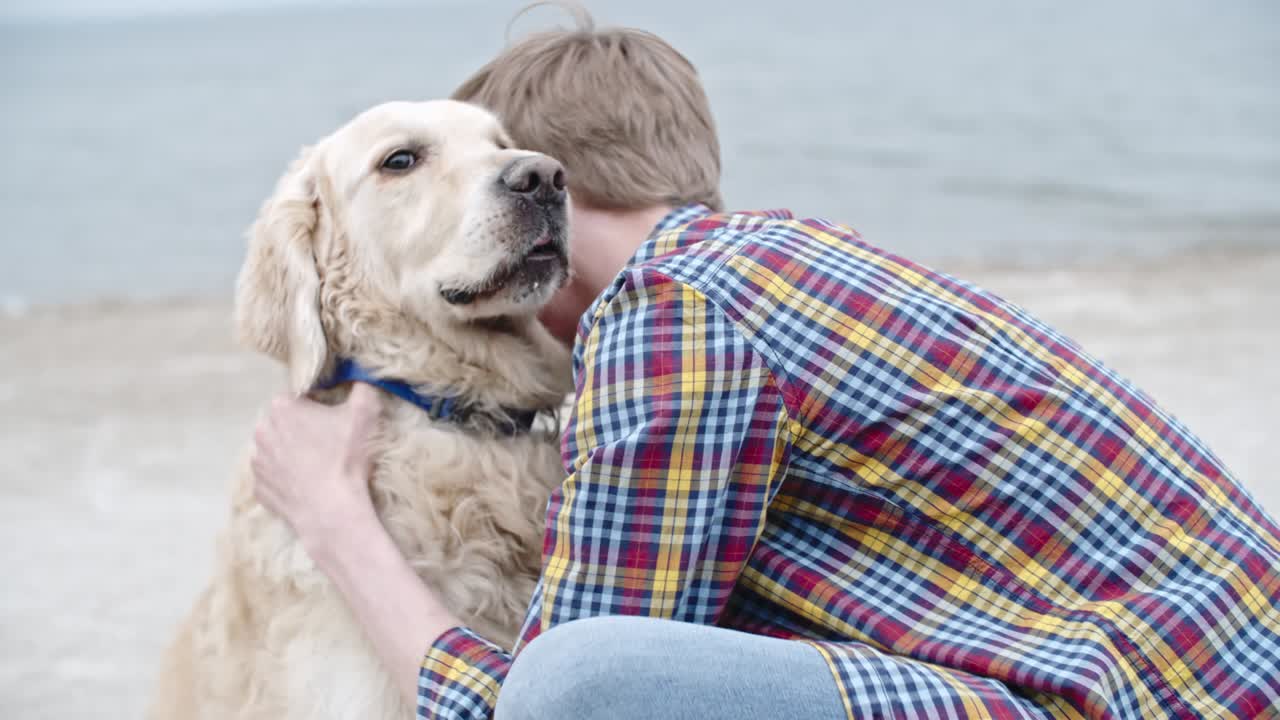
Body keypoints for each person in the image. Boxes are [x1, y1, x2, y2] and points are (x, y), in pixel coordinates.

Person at [249, 8, 1280, 720]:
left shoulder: (673, 313)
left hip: (1125, 700)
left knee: (579, 675)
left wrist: (337, 522)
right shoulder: (774, 257)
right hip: (1203, 669)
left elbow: (549, 699)